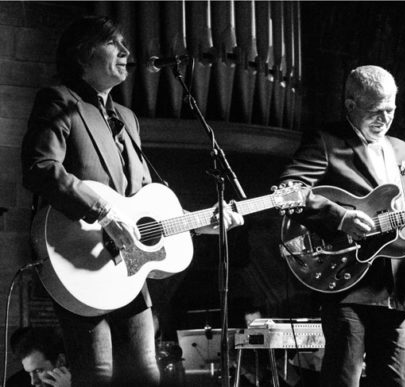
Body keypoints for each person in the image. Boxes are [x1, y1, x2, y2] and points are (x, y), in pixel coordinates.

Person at [21, 16, 243, 386]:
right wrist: (104, 212)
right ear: (83, 54)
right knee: (99, 375)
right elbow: (40, 168)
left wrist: (202, 223)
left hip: (130, 269)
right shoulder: (60, 100)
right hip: (78, 259)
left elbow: (144, 206)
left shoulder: (127, 118)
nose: (127, 52)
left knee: (145, 374)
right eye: (114, 44)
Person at [279, 65, 405, 387]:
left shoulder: (404, 151)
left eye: (391, 110)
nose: (384, 119)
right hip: (347, 282)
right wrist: (341, 217)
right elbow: (289, 192)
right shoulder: (327, 141)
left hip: (398, 287)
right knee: (343, 380)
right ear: (351, 105)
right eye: (375, 111)